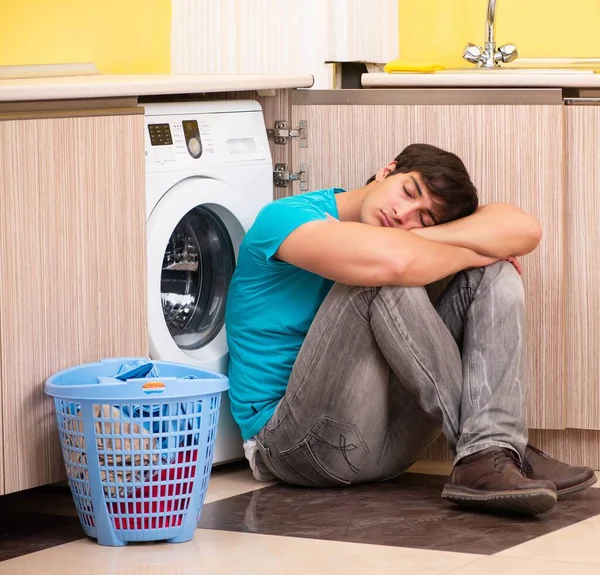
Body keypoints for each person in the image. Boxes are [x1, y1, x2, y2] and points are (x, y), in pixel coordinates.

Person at [225, 143, 596, 516]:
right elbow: (391, 261)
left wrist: (466, 251)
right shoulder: (285, 217)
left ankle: (492, 449)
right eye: (408, 192)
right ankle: (492, 447)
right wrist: (476, 247)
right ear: (387, 170)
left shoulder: (402, 233)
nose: (404, 215)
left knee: (493, 272)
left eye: (424, 218)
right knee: (378, 279)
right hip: (293, 446)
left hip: (388, 445)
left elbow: (524, 230)